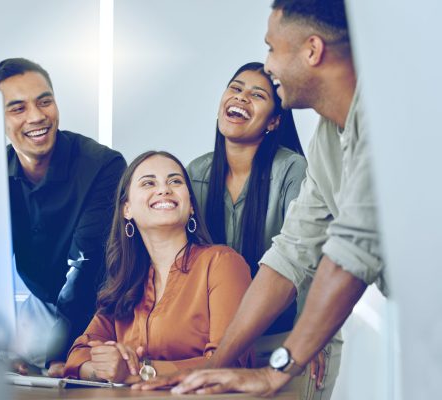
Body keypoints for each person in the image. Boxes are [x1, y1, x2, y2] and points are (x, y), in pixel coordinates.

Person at [135, 0, 383, 397]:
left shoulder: (382, 116)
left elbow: (349, 255)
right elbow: (289, 256)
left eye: (271, 48)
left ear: (312, 51)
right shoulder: (327, 139)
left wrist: (284, 363)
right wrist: (213, 369)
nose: (268, 65)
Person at [0, 58, 127, 377]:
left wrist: (58, 352)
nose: (36, 116)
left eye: (44, 101)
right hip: (42, 306)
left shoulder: (103, 165)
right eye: (17, 108)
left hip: (105, 311)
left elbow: (85, 270)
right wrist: (0, 345)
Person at [63, 151, 252, 384]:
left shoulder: (223, 263)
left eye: (175, 181)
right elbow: (77, 355)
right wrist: (102, 368)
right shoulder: (125, 284)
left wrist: (139, 371)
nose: (164, 189)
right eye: (148, 183)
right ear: (127, 209)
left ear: (191, 205)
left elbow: (229, 363)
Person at [187, 60, 307, 365]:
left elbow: (308, 257)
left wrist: (307, 335)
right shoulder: (196, 172)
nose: (241, 97)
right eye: (236, 89)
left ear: (274, 122)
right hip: (215, 342)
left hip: (282, 340)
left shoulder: (292, 170)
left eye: (257, 95)